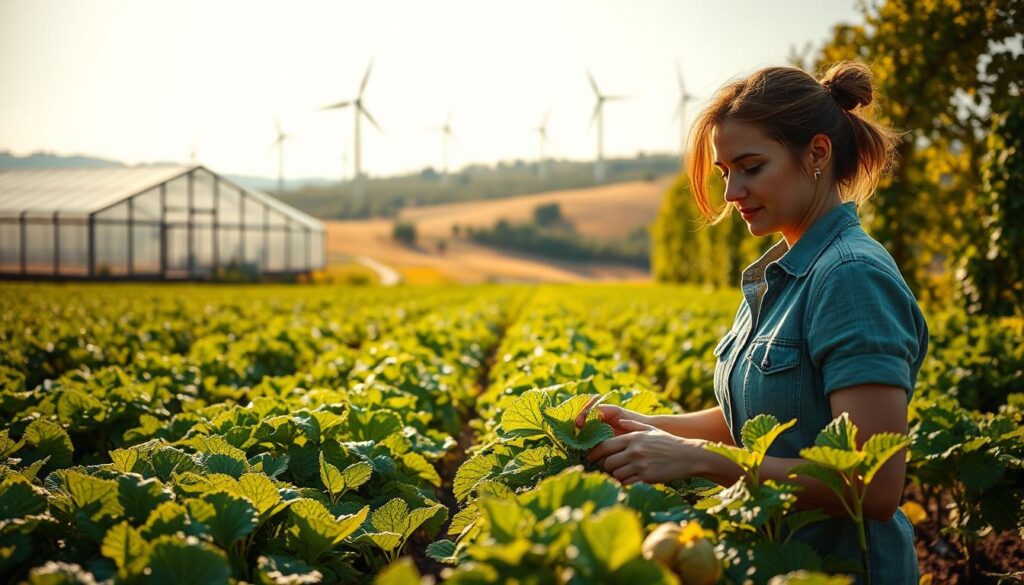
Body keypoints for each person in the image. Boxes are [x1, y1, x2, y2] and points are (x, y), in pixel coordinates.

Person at [575, 60, 927, 583]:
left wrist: (697, 458)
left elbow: (871, 487)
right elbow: (766, 416)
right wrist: (644, 426)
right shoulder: (782, 270)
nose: (732, 192)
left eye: (751, 166)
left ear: (817, 154)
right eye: (725, 173)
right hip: (773, 557)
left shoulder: (851, 278)